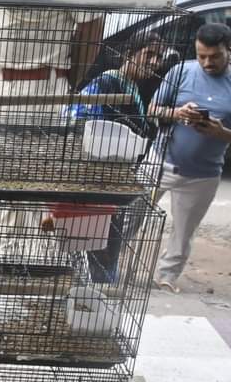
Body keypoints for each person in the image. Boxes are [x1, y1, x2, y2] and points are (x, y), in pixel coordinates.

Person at [148, 23, 231, 292]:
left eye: (215, 56)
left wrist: (223, 133)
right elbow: (151, 109)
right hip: (160, 161)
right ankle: (107, 267)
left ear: (230, 50)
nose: (207, 63)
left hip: (203, 175)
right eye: (201, 56)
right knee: (129, 216)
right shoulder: (180, 72)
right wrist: (177, 113)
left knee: (183, 232)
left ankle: (166, 278)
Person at [66, 33, 164, 283]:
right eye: (149, 54)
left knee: (106, 240)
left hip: (115, 179)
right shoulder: (107, 83)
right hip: (98, 179)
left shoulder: (131, 87)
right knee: (95, 245)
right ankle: (93, 288)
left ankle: (98, 287)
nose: (155, 62)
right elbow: (83, 122)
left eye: (159, 57)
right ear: (129, 54)